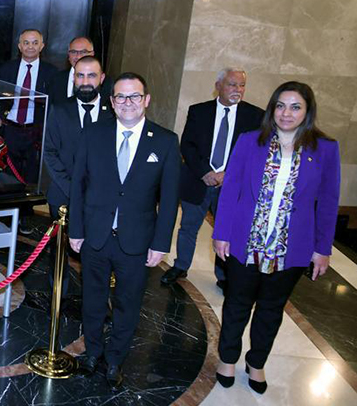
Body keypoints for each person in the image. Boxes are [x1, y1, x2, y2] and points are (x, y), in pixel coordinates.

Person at [212, 81, 339, 394]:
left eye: (295, 107)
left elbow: (328, 202)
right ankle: (227, 358)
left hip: (290, 249)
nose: (286, 113)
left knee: (271, 309)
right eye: (281, 105)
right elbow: (231, 190)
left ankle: (256, 363)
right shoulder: (249, 141)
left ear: (307, 111)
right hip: (245, 243)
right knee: (237, 304)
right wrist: (222, 233)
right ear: (272, 108)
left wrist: (322, 248)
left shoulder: (324, 149)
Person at [68, 72, 180, 388]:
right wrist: (76, 230)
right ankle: (93, 352)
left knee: (127, 304)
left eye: (134, 96)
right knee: (92, 300)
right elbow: (78, 186)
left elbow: (169, 199)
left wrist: (161, 243)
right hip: (96, 236)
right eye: (120, 96)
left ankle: (115, 359)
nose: (127, 102)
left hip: (137, 241)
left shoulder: (165, 141)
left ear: (146, 100)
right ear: (112, 101)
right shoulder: (93, 134)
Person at [161, 68, 263, 288]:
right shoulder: (199, 111)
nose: (237, 90)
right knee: (188, 227)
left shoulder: (255, 116)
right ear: (218, 86)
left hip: (231, 185)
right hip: (198, 180)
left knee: (226, 231)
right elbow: (187, 145)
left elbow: (254, 154)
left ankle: (224, 276)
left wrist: (229, 174)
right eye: (232, 84)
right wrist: (205, 172)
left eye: (242, 85)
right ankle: (181, 266)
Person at [0, 29, 58, 234]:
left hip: (35, 132)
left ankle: (24, 216)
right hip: (10, 128)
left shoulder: (51, 72)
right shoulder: (7, 68)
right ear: (19, 46)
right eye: (26, 43)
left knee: (30, 176)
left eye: (35, 42)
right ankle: (6, 215)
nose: (30, 46)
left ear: (42, 46)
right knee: (7, 175)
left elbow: (54, 103)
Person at [44, 55, 113, 220]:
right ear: (73, 77)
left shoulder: (113, 113)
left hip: (102, 198)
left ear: (102, 78)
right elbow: (49, 152)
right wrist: (72, 189)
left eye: (92, 75)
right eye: (80, 75)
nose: (85, 82)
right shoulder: (59, 110)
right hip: (63, 195)